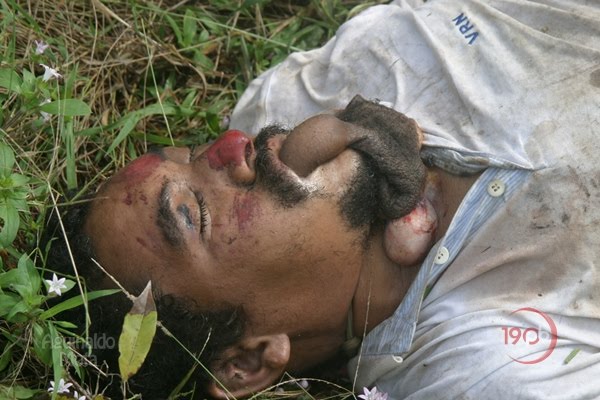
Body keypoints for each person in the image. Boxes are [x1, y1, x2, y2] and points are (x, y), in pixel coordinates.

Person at [46, 0, 600, 398]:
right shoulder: (486, 373)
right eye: (193, 215)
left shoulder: (310, 90)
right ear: (248, 362)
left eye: (190, 153)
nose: (235, 144)